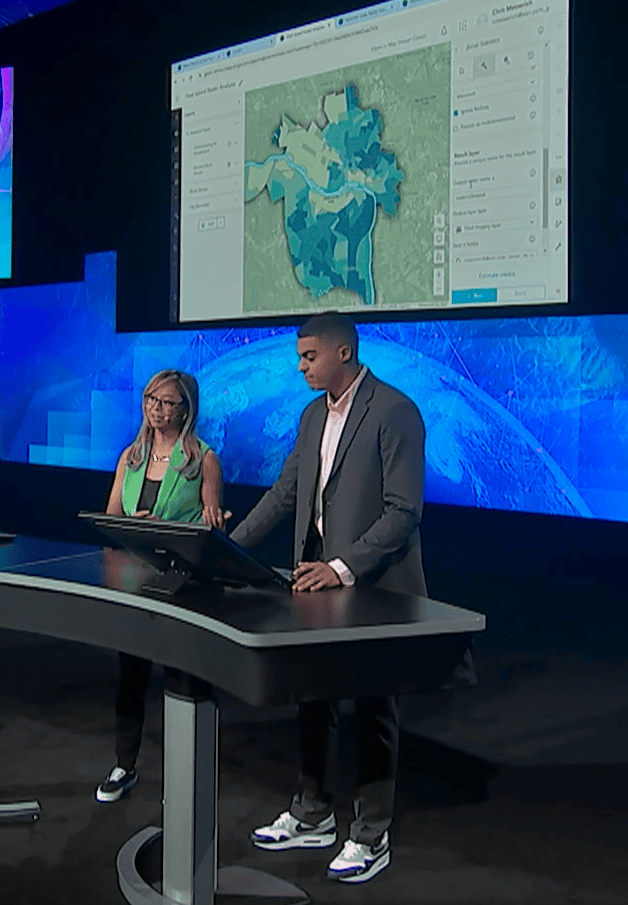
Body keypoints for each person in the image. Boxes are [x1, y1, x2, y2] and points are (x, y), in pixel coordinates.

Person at [229, 311, 426, 885]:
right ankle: (313, 812)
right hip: (313, 583)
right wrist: (221, 550)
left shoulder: (395, 411)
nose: (300, 367)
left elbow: (404, 511)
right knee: (312, 698)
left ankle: (371, 835)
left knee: (372, 711)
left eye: (308, 356)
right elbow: (285, 493)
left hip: (375, 590)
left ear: (344, 352)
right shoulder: (312, 415)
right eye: (299, 356)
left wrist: (341, 568)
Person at [94, 369, 226, 803]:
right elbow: (111, 518)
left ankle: (186, 779)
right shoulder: (130, 457)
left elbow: (210, 529)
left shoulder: (203, 459)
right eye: (154, 399)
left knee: (182, 679)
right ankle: (123, 764)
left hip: (181, 586)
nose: (159, 410)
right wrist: (133, 527)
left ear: (187, 410)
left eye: (170, 403)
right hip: (134, 581)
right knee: (130, 677)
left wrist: (180, 527)